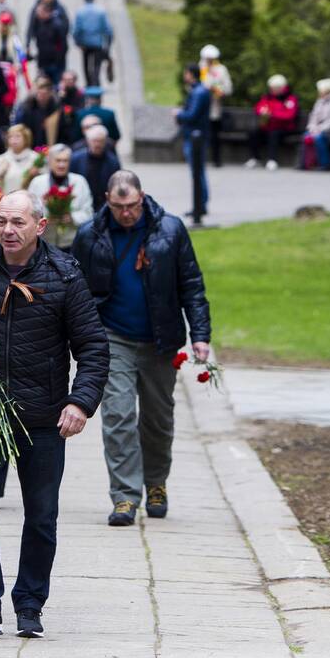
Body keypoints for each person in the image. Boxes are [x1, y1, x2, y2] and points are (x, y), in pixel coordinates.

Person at [0, 190, 109, 639]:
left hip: (44, 416)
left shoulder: (64, 275)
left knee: (41, 514)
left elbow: (92, 346)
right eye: (1, 221)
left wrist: (80, 402)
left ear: (40, 225)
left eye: (17, 222)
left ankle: (30, 604)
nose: (8, 230)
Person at [71, 171, 210, 527]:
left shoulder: (171, 229)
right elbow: (76, 289)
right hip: (112, 336)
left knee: (158, 420)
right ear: (107, 200)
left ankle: (156, 483)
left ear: (142, 197)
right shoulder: (90, 234)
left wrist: (200, 334)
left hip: (160, 339)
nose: (126, 213)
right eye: (118, 207)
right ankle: (125, 496)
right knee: (117, 416)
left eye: (131, 206)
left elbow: (191, 284)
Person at [27, 144, 94, 249]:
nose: (61, 165)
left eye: (65, 161)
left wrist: (72, 217)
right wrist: (46, 217)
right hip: (44, 243)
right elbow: (29, 212)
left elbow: (89, 213)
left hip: (72, 243)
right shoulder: (37, 182)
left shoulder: (80, 182)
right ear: (49, 161)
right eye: (58, 160)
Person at [175, 63, 211, 215]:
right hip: (197, 135)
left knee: (197, 171)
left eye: (186, 73)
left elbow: (192, 115)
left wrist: (178, 114)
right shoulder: (200, 90)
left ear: (191, 74)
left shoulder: (198, 92)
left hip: (195, 136)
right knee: (198, 171)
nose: (184, 76)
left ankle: (200, 205)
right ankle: (201, 203)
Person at [245, 74, 299, 171]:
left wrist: (273, 114)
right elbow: (259, 107)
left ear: (282, 88)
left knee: (274, 134)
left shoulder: (290, 99)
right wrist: (262, 111)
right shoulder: (267, 97)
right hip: (268, 126)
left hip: (285, 128)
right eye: (272, 88)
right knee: (253, 132)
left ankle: (272, 160)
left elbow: (289, 115)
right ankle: (255, 158)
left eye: (276, 88)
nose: (273, 90)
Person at [69, 125, 121, 212]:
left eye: (100, 141)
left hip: (103, 204)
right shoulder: (76, 158)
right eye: (94, 141)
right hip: (81, 202)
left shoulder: (113, 162)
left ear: (105, 142)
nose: (97, 144)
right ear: (88, 141)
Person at [199, 45, 232, 167]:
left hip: (214, 107)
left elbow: (228, 88)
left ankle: (216, 159)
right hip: (201, 108)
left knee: (214, 135)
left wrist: (219, 90)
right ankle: (200, 159)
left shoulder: (221, 69)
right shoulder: (200, 69)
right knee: (200, 136)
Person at [72, 0, 113, 87]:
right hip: (98, 43)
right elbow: (108, 30)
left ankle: (88, 83)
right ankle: (96, 82)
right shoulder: (101, 11)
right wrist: (108, 44)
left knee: (86, 64)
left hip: (85, 43)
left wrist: (77, 42)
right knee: (96, 65)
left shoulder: (80, 12)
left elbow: (76, 29)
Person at [29, 1, 69, 86]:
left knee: (56, 86)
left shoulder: (57, 25)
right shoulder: (39, 23)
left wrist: (58, 59)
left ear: (47, 12)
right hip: (43, 62)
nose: (37, 14)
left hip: (55, 63)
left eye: (39, 12)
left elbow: (63, 45)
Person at [0, 124, 39, 193]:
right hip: (7, 199)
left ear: (26, 138)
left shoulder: (36, 158)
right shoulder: (1, 159)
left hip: (29, 199)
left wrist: (36, 175)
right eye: (10, 137)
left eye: (17, 136)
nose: (13, 140)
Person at [13, 76, 60, 148]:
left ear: (50, 93)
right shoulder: (25, 107)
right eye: (40, 89)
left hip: (51, 145)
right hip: (30, 146)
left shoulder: (55, 107)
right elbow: (19, 127)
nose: (43, 94)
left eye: (46, 92)